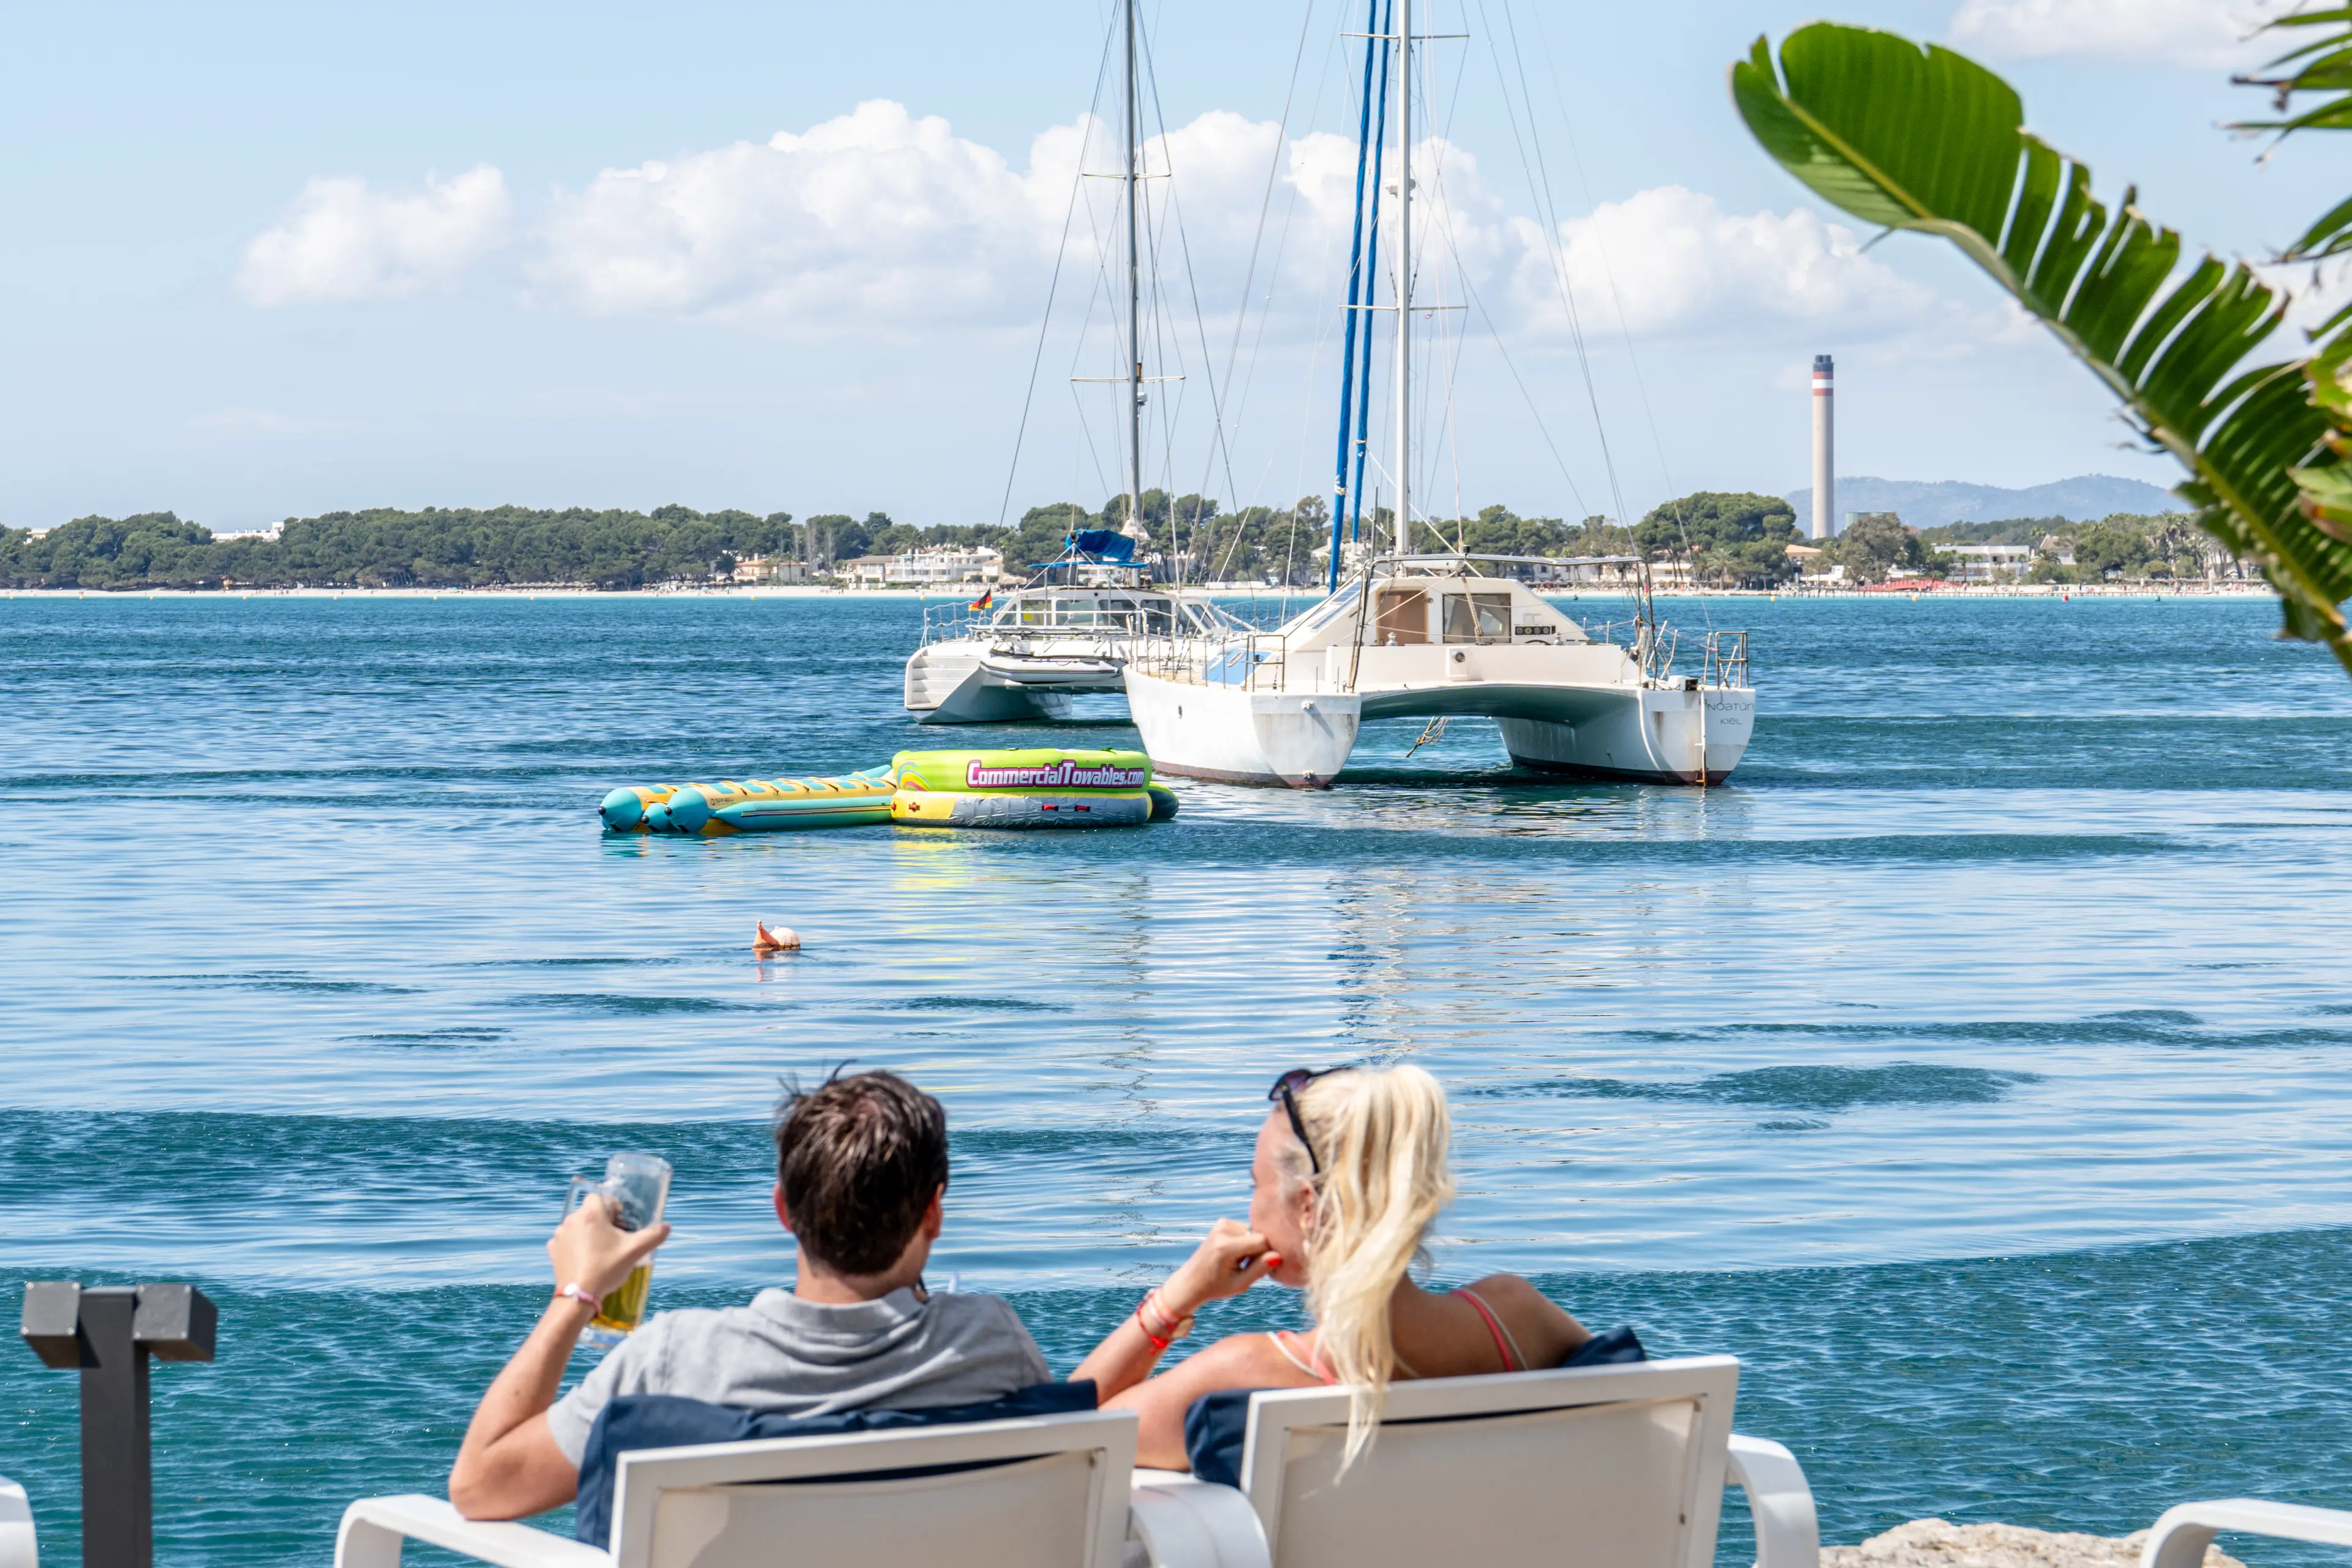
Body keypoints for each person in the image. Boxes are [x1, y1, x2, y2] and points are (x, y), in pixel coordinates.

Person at [449, 1069, 1050, 1519]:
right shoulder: (992, 1344)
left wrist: (576, 1293)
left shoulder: (677, 1359)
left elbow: (480, 1485)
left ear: (784, 1210)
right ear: (934, 1214)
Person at [1070, 1063, 1593, 1471]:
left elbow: (1063, 1442)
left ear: (1306, 1205)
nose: (1247, 1207)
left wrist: (1178, 1297)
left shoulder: (1244, 1373)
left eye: (1255, 1185)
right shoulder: (1518, 1319)